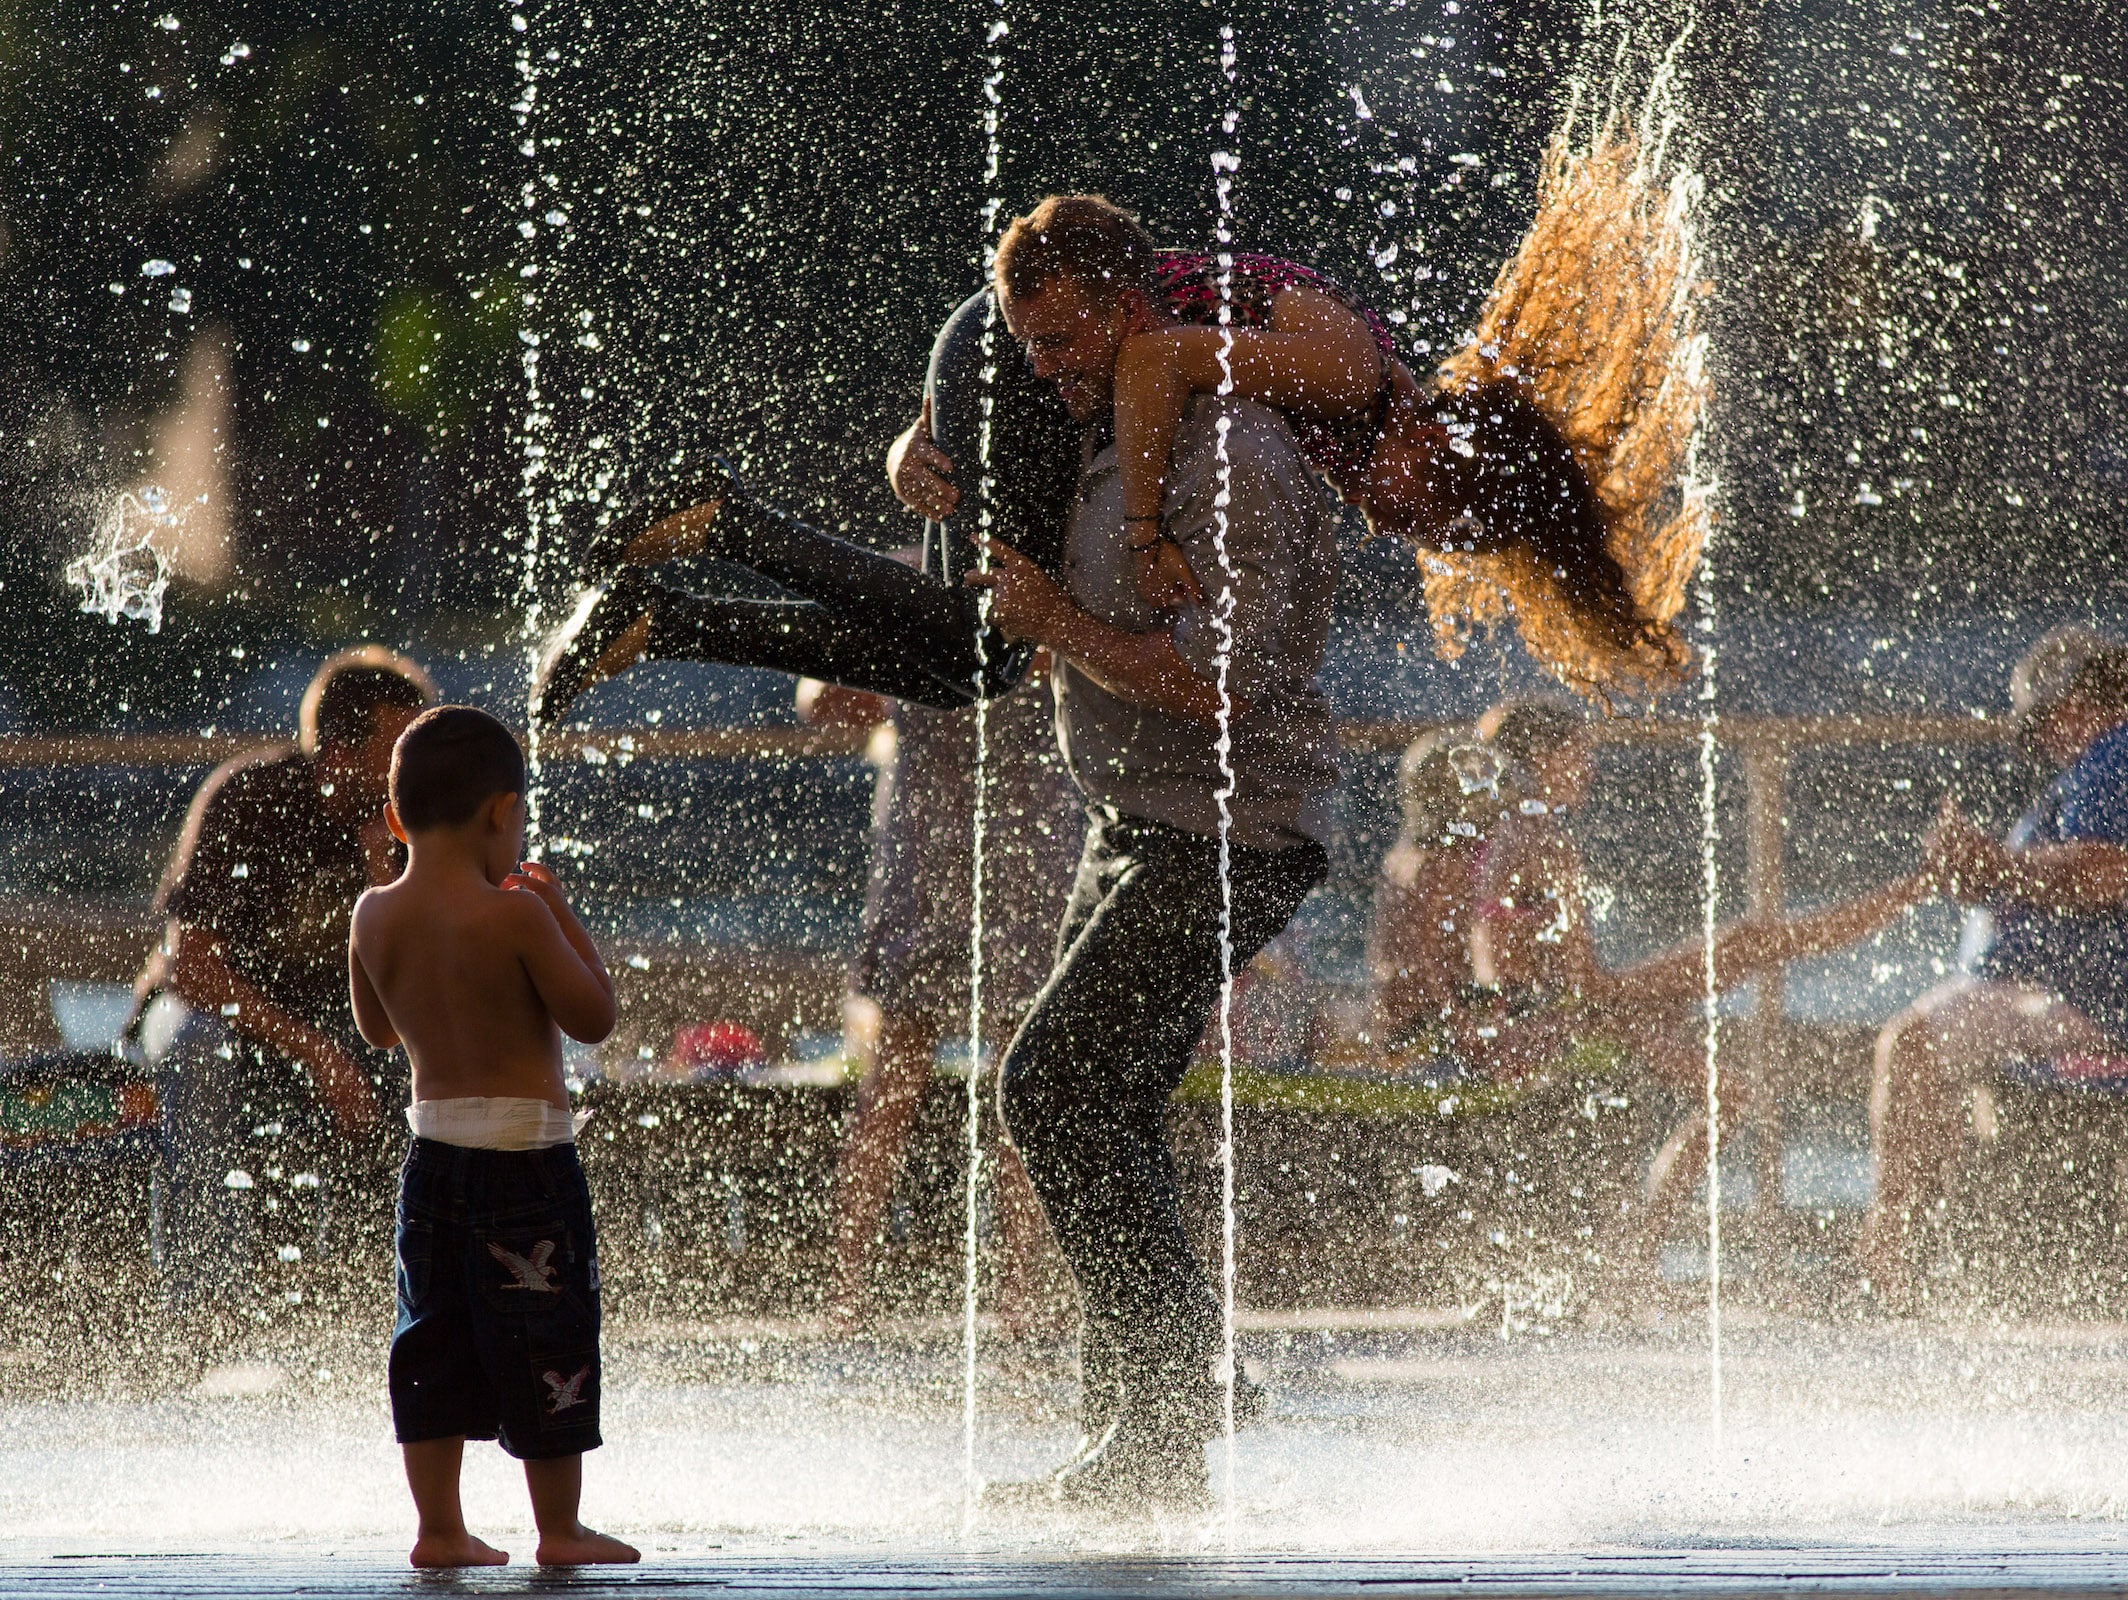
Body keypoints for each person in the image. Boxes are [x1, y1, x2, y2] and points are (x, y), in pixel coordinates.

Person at [531, 142, 1708, 724]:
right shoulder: (1347, 365)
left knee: (966, 655)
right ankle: (709, 556)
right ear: (1451, 434)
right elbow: (1143, 352)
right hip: (1011, 352)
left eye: (1446, 534)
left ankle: (689, 586)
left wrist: (918, 435)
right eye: (1441, 498)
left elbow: (1097, 340)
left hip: (1006, 354)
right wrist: (1144, 532)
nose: (1414, 519)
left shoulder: (1359, 422)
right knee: (975, 650)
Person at [957, 230, 1341, 1510]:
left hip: (1230, 828)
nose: (1045, 369)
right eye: (1028, 346)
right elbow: (960, 409)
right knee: (1098, 1109)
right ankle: (1133, 1439)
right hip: (1133, 819)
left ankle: (1179, 1394)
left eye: (1065, 340)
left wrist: (1056, 627)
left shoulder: (1231, 458)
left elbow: (1224, 688)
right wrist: (925, 450)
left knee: (1053, 1088)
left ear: (1132, 311)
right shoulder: (1099, 425)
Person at [1857, 627, 2128, 1297]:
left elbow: (2104, 874)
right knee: (1949, 1052)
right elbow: (2076, 872)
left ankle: (1891, 1260)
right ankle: (1943, 1248)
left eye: (2038, 728)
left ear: (2072, 705)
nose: (2041, 746)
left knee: (1917, 1045)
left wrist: (1997, 866)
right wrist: (1989, 877)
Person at [1460, 699, 1932, 1236]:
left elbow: (1543, 973)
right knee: (1737, 1032)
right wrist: (1685, 973)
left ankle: (1910, 890)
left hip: (1527, 1015)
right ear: (1543, 757)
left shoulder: (1510, 833)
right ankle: (1913, 889)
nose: (1589, 768)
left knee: (1746, 950)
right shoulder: (1547, 843)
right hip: (1546, 1025)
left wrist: (1688, 972)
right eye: (1578, 753)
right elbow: (1587, 986)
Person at [348, 705, 637, 1570]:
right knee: (547, 1333)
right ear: (502, 812)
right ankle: (560, 1530)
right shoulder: (515, 916)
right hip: (527, 1166)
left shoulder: (372, 912)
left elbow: (375, 1031)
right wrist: (561, 914)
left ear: (397, 819)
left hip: (432, 1163)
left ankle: (439, 1530)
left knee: (430, 1336)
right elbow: (594, 1017)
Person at [138, 646, 432, 1321]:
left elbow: (422, 982)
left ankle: (379, 1300)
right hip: (219, 1010)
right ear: (338, 754)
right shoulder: (251, 798)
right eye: (398, 749)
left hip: (338, 1017)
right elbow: (193, 968)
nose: (414, 767)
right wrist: (315, 1052)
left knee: (415, 1057)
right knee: (199, 1048)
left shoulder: (411, 822)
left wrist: (384, 873)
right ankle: (203, 1306)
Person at [812, 667, 1080, 1334]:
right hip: (949, 841)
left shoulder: (1033, 585)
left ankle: (1019, 1291)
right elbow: (821, 703)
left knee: (1015, 1072)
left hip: (1015, 838)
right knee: (904, 1070)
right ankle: (851, 1287)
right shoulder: (926, 574)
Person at [1368, 730, 1502, 1074]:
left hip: (1398, 1015)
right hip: (1424, 1022)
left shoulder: (1403, 856)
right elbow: (1427, 965)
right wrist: (1464, 1029)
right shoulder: (1441, 863)